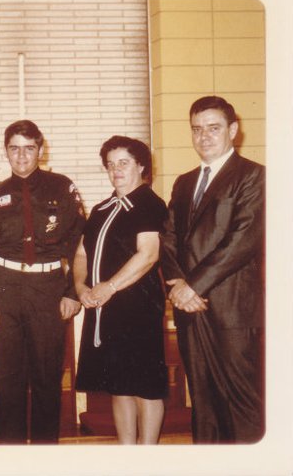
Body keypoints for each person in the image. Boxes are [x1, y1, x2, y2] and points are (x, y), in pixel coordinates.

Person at [0, 120, 85, 443]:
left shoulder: (62, 188)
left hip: (48, 289)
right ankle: (11, 455)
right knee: (9, 381)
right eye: (14, 148)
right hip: (5, 290)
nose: (21, 156)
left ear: (41, 150)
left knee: (48, 379)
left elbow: (79, 244)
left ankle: (45, 455)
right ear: (6, 151)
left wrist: (72, 292)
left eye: (29, 148)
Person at [161, 95, 264, 443]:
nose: (204, 137)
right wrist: (178, 285)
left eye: (213, 128)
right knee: (202, 404)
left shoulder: (254, 176)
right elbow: (168, 238)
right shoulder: (184, 182)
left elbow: (242, 240)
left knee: (241, 404)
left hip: (232, 310)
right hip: (190, 309)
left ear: (233, 130)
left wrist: (192, 287)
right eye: (197, 129)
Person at [73, 136, 168, 444]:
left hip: (138, 308)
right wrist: (80, 286)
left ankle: (146, 455)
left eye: (124, 163)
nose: (116, 170)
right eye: (111, 164)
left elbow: (148, 254)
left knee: (144, 387)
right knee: (120, 386)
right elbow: (81, 254)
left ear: (141, 166)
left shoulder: (149, 204)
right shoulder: (102, 209)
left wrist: (109, 287)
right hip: (105, 308)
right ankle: (127, 453)